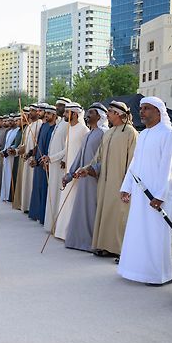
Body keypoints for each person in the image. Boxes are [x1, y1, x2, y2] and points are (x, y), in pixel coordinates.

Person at [119, 96, 172, 286]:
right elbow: (134, 164)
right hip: (140, 193)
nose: (142, 112)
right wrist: (126, 186)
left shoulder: (168, 134)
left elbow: (168, 167)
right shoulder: (143, 134)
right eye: (141, 108)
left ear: (158, 111)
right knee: (138, 232)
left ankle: (158, 275)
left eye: (146, 108)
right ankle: (137, 271)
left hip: (156, 196)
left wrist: (160, 195)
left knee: (155, 234)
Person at [81, 101, 138, 259]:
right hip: (104, 183)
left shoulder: (130, 133)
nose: (107, 115)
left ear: (119, 114)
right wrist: (88, 169)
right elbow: (98, 158)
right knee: (104, 213)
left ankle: (119, 249)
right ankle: (104, 246)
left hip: (120, 183)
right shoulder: (108, 133)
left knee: (119, 216)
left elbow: (133, 162)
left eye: (111, 112)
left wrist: (129, 185)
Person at [62, 103, 108, 251]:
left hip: (95, 178)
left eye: (92, 112)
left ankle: (92, 242)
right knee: (81, 210)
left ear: (100, 116)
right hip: (83, 178)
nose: (88, 115)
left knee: (92, 210)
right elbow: (79, 156)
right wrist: (69, 175)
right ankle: (78, 241)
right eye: (87, 112)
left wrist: (92, 170)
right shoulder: (88, 134)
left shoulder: (104, 133)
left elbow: (105, 158)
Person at [52, 103, 90, 239]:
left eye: (67, 112)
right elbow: (66, 151)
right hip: (67, 172)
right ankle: (62, 233)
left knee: (73, 203)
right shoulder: (69, 129)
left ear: (74, 114)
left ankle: (71, 234)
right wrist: (50, 158)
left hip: (76, 173)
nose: (64, 114)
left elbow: (84, 154)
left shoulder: (83, 130)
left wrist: (78, 170)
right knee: (65, 204)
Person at [43, 98, 70, 232]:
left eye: (59, 106)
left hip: (60, 165)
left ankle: (58, 226)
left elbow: (68, 147)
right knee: (52, 193)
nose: (57, 108)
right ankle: (52, 224)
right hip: (53, 163)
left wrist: (57, 158)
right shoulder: (60, 123)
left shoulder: (68, 125)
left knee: (57, 193)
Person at [28, 104, 57, 224]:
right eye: (46, 114)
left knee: (45, 189)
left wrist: (46, 160)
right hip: (39, 162)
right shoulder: (44, 126)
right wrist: (33, 156)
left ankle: (45, 217)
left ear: (54, 115)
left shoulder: (55, 128)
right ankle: (37, 214)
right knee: (38, 188)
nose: (46, 115)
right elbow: (38, 143)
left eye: (49, 114)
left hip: (47, 163)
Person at [17, 105, 43, 212]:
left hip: (33, 159)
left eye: (33, 111)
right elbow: (26, 144)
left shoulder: (40, 124)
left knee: (32, 182)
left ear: (38, 112)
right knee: (26, 182)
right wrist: (18, 151)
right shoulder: (29, 126)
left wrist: (31, 154)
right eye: (30, 111)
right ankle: (26, 206)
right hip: (26, 158)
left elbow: (38, 144)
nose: (30, 113)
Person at [0, 115, 20, 201]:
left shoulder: (17, 131)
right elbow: (6, 144)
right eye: (10, 121)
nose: (12, 122)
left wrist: (9, 150)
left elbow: (15, 144)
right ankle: (5, 195)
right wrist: (3, 151)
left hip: (12, 157)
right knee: (5, 176)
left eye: (14, 121)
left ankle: (10, 195)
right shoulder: (9, 131)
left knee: (11, 175)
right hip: (6, 156)